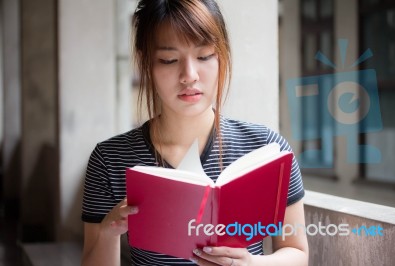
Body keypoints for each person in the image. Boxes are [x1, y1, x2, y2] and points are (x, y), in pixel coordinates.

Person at [81, 0, 309, 265]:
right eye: (169, 60)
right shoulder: (110, 159)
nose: (189, 75)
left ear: (221, 56)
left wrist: (250, 264)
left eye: (203, 56)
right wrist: (109, 233)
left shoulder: (265, 148)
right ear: (146, 63)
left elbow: (297, 253)